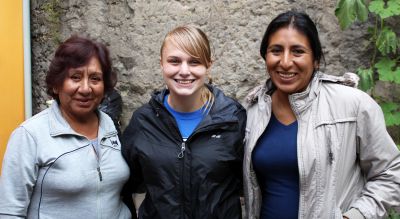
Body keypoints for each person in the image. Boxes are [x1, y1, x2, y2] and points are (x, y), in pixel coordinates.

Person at [243, 11, 400, 219]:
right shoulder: (253, 111)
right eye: (276, 50)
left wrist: (354, 216)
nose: (286, 62)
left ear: (316, 59)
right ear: (265, 56)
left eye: (298, 51)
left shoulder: (352, 105)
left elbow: (390, 174)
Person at [122, 25, 246, 219]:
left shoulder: (232, 119)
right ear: (161, 64)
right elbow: (127, 183)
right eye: (174, 61)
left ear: (208, 65)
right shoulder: (143, 121)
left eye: (194, 62)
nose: (184, 71)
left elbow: (246, 182)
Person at [0, 36, 132, 219]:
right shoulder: (30, 135)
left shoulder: (109, 125)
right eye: (75, 77)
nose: (86, 88)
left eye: (95, 78)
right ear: (56, 84)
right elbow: (10, 212)